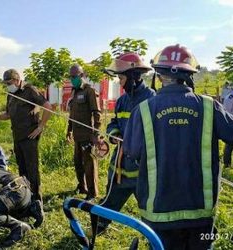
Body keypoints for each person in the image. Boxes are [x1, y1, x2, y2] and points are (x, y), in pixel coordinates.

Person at [123, 44, 233, 249]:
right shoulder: (210, 107)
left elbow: (131, 152)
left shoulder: (143, 110)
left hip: (158, 214)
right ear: (190, 76)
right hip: (201, 216)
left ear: (159, 75)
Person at [96, 52, 155, 233]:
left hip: (142, 170)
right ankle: (98, 227)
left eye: (121, 78)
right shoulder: (122, 100)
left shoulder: (151, 99)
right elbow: (114, 122)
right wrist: (113, 134)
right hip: (120, 167)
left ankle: (156, 236)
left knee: (150, 208)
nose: (118, 82)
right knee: (109, 201)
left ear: (133, 77)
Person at [0, 69, 52, 202]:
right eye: (6, 83)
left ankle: (36, 199)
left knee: (32, 169)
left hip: (29, 137)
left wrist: (41, 126)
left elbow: (47, 106)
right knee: (22, 167)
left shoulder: (30, 90)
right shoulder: (11, 94)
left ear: (16, 80)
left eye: (9, 82)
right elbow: (8, 114)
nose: (7, 85)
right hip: (17, 136)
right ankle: (25, 196)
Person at [66, 64, 102, 201]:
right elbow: (71, 114)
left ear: (81, 76)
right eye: (70, 76)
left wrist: (95, 133)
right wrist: (69, 130)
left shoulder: (89, 91)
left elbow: (96, 113)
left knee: (89, 164)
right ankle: (82, 186)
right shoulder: (74, 92)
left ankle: (92, 192)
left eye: (74, 76)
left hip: (88, 136)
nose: (72, 79)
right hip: (77, 135)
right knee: (78, 162)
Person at [223, 89, 233, 168]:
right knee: (229, 144)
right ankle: (227, 164)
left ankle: (227, 164)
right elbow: (226, 111)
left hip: (230, 123)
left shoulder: (229, 97)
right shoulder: (230, 97)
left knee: (229, 144)